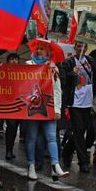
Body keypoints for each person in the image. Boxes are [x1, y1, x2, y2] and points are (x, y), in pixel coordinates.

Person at [25, 39, 69, 181]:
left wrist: (57, 110)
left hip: (48, 108)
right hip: (32, 107)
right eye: (37, 48)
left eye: (42, 49)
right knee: (31, 137)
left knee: (51, 137)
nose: (38, 51)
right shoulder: (28, 65)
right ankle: (31, 165)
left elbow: (57, 90)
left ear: (48, 53)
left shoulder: (53, 68)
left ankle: (55, 166)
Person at [60, 41, 96, 173]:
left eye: (83, 46)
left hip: (88, 102)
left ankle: (66, 152)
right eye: (78, 46)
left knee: (87, 131)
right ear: (75, 48)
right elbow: (63, 81)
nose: (81, 48)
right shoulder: (67, 62)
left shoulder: (90, 61)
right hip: (75, 102)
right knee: (78, 131)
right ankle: (83, 161)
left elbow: (95, 79)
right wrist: (73, 73)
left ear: (87, 48)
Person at [4, 53, 21, 160]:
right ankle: (8, 150)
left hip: (18, 103)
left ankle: (10, 149)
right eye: (11, 59)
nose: (14, 61)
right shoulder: (4, 72)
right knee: (11, 125)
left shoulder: (22, 72)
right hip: (7, 103)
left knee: (14, 127)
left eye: (16, 59)